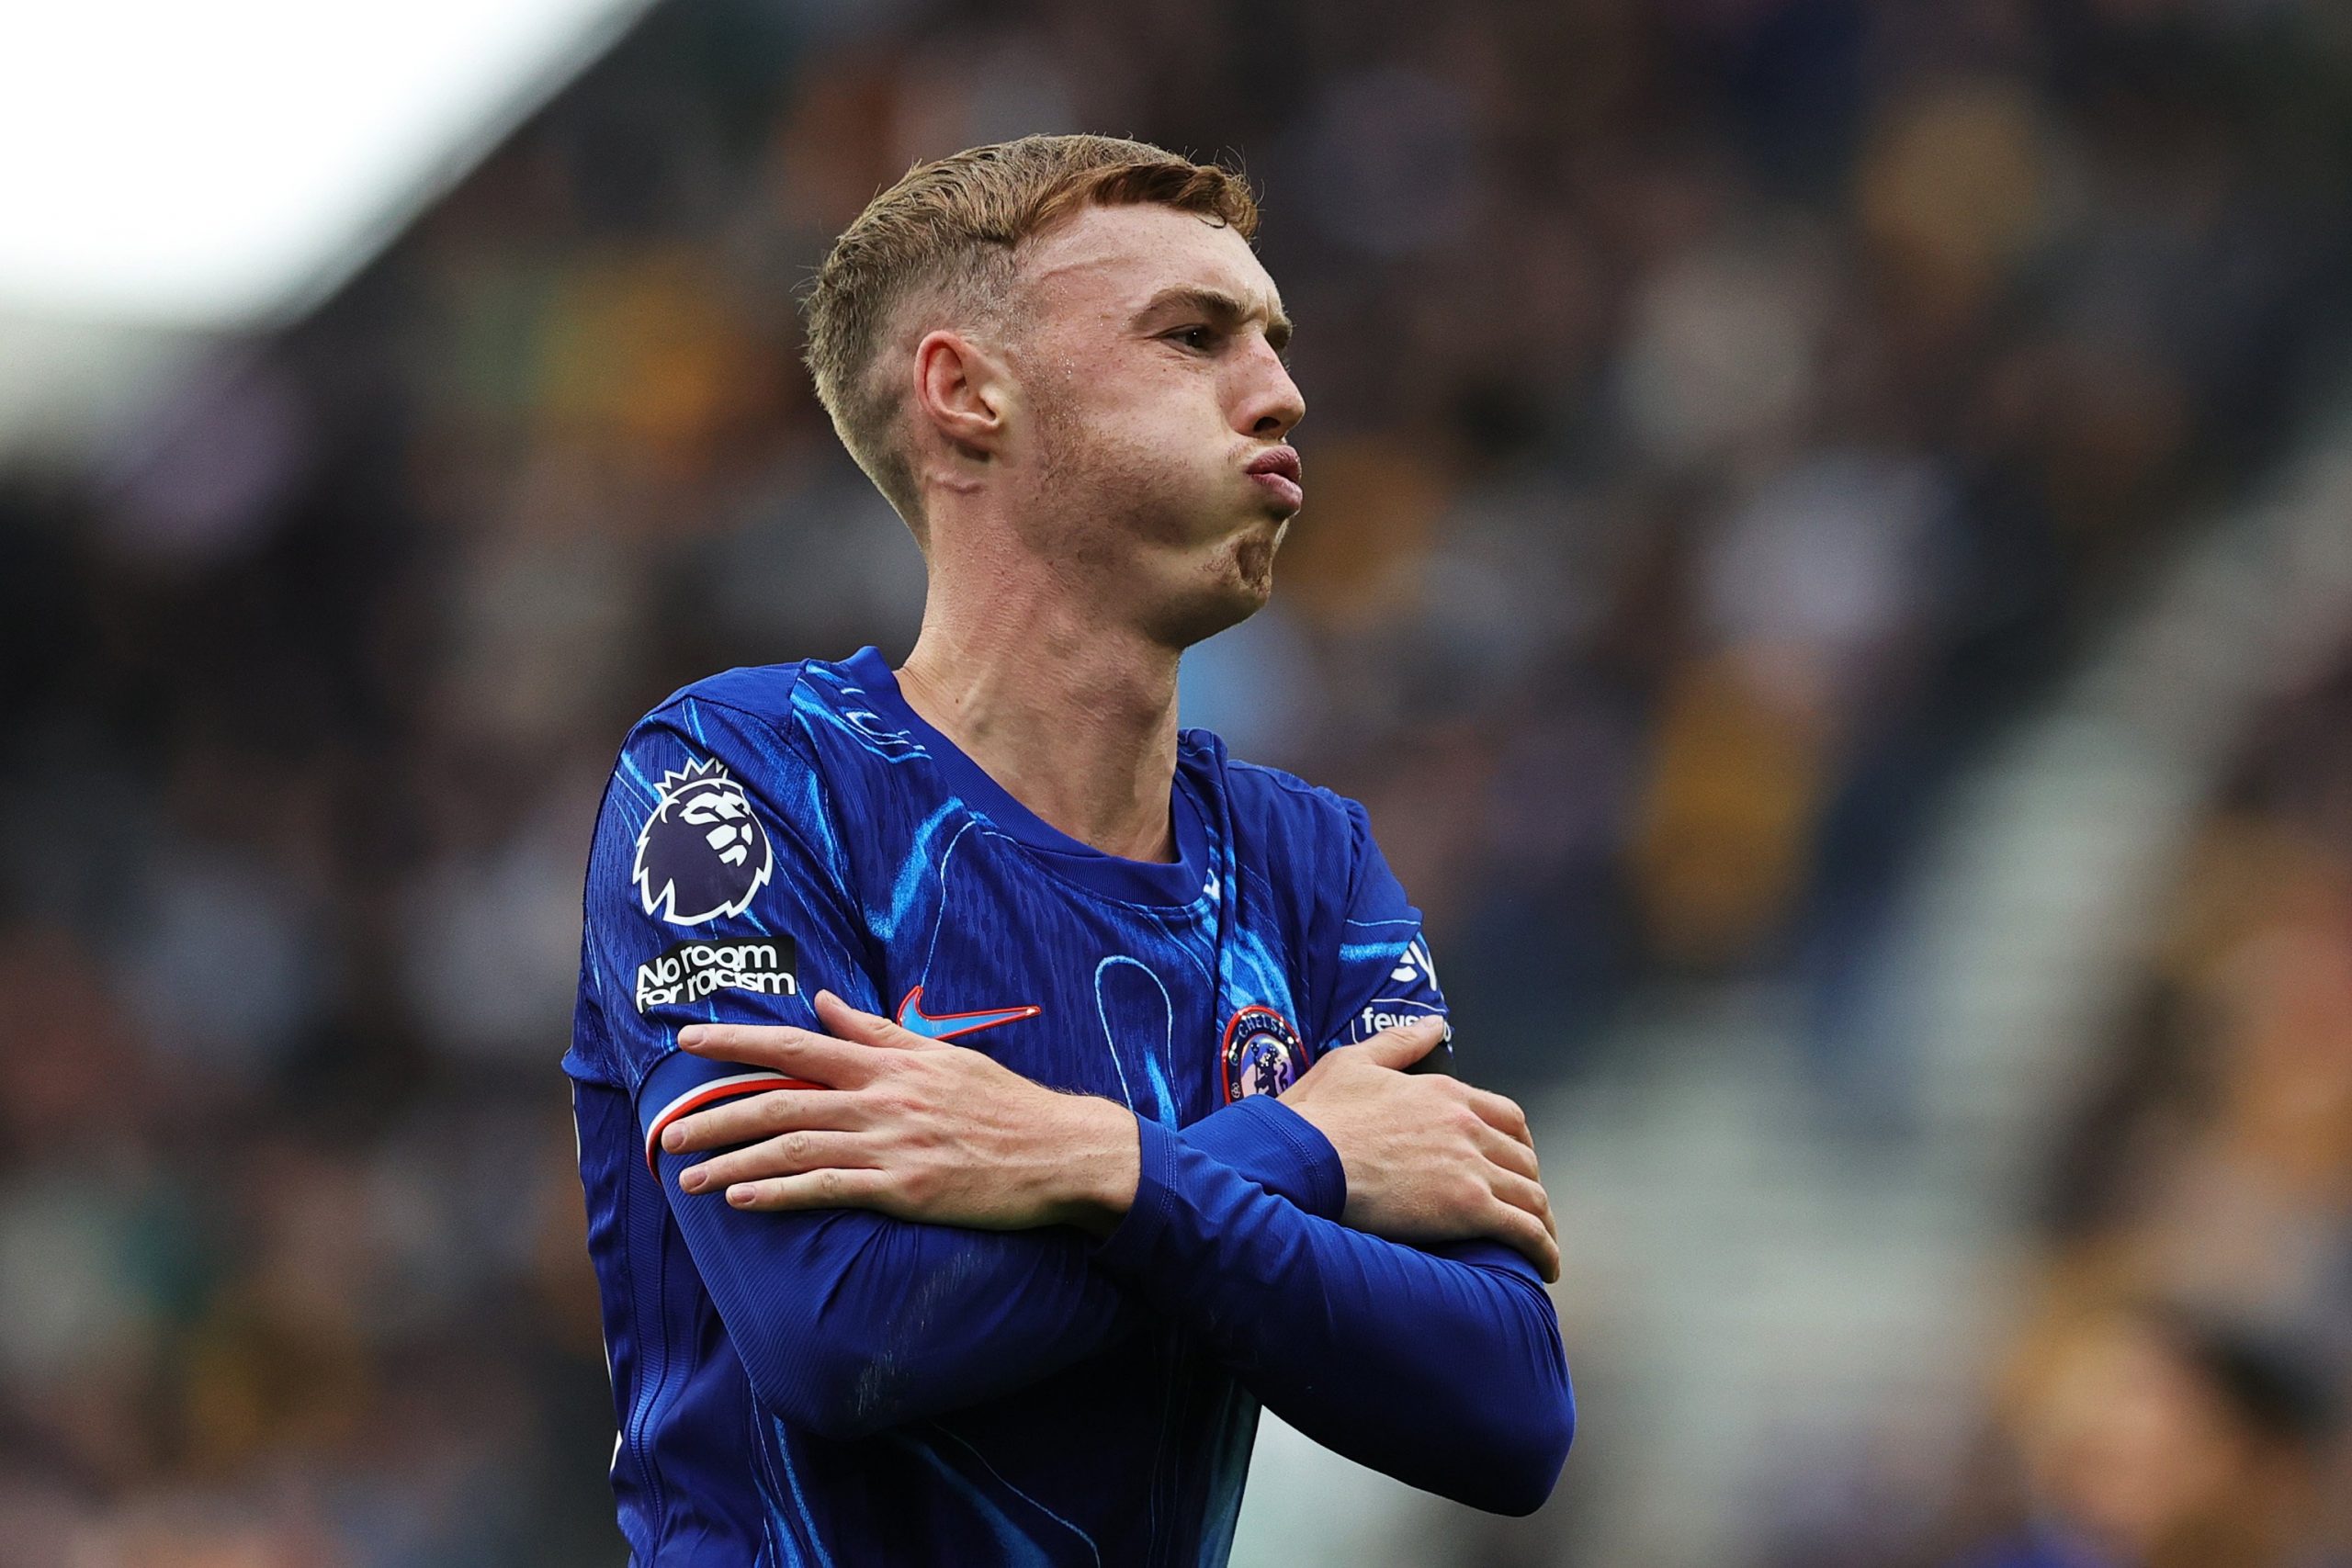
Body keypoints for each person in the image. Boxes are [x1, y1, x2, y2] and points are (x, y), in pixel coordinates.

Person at [566, 133, 1575, 1567]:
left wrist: (1090, 1160)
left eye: (1275, 343)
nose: (1282, 390)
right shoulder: (743, 782)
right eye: (1194, 337)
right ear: (967, 393)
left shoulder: (1307, 863)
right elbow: (839, 1334)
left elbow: (1508, 1406)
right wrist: (1290, 1155)